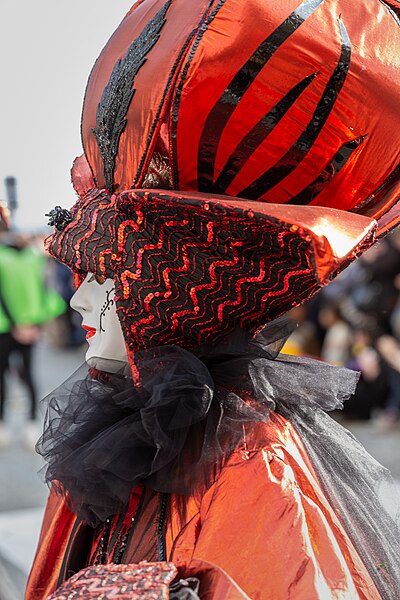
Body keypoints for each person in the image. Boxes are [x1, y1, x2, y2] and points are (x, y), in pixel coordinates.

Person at [27, 0, 400, 598]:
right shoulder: (122, 433)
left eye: (105, 276)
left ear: (169, 295)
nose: (80, 303)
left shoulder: (255, 466)